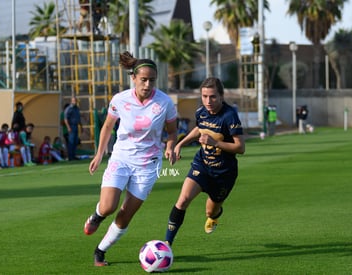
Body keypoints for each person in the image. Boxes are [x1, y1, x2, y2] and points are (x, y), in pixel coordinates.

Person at [83, 51, 178, 267]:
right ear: (133, 78)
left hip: (148, 163)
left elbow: (172, 132)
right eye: (143, 79)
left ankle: (100, 251)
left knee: (126, 214)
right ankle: (98, 216)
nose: (147, 84)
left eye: (151, 80)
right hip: (122, 157)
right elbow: (108, 125)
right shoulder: (120, 99)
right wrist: (99, 154)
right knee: (108, 207)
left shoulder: (165, 103)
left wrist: (171, 147)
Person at [164, 77, 245, 246]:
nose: (208, 101)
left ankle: (214, 217)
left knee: (211, 211)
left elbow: (240, 147)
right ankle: (166, 244)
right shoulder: (201, 112)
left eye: (213, 97)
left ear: (221, 96)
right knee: (183, 199)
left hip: (224, 173)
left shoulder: (230, 116)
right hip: (202, 164)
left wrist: (215, 143)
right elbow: (199, 128)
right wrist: (180, 143)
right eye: (205, 96)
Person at [64, 96, 83, 161]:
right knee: (71, 142)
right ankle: (70, 156)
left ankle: (74, 155)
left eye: (76, 100)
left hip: (76, 126)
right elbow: (66, 119)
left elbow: (78, 118)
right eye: (74, 100)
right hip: (71, 126)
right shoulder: (69, 109)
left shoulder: (76, 108)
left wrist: (81, 126)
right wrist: (68, 127)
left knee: (75, 142)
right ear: (71, 101)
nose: (75, 102)